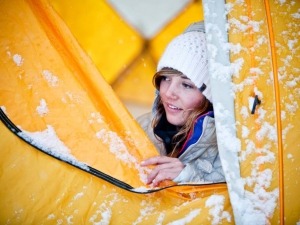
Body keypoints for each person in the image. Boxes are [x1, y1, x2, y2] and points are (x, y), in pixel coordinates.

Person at [137, 21, 225, 187]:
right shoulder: (141, 126)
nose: (169, 93)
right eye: (166, 78)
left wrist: (189, 174)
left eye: (186, 85)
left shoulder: (232, 148)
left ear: (209, 96)